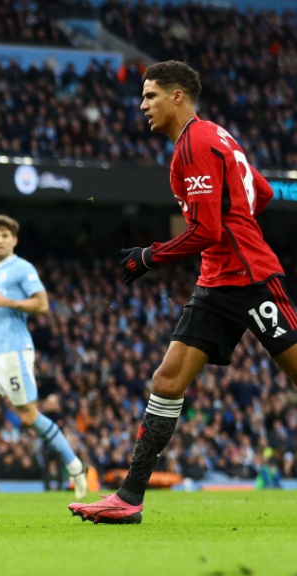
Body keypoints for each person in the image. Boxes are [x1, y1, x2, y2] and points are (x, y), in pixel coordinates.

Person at [70, 61, 297, 524]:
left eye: (150, 95)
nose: (143, 105)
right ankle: (129, 497)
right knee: (167, 381)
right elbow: (263, 191)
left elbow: (208, 230)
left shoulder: (193, 145)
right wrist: (237, 220)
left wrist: (148, 256)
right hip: (217, 280)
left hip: (251, 277)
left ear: (177, 96)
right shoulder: (217, 136)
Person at [0, 215, 88, 502]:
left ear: (14, 240)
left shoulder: (22, 268)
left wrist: (7, 302)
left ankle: (75, 467)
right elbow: (0, 310)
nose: (0, 240)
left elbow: (42, 304)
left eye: (5, 235)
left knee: (29, 416)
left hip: (14, 352)